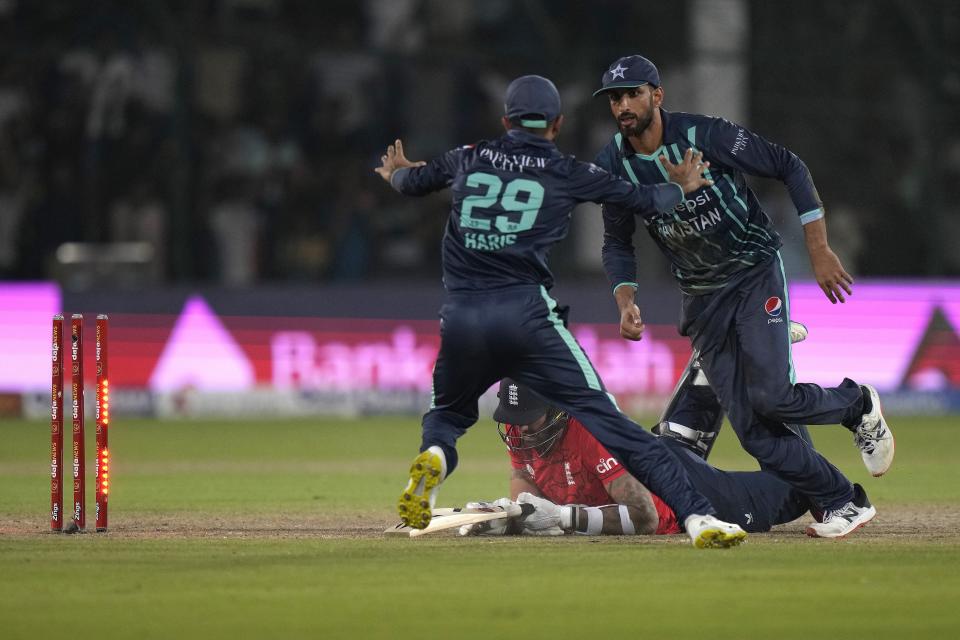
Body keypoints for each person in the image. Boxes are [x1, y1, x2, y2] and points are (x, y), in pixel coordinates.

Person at [374, 74, 747, 548]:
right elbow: (645, 201)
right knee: (613, 426)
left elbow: (412, 182)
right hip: (527, 318)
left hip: (463, 317)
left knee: (447, 413)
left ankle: (434, 457)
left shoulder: (467, 157)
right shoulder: (567, 170)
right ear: (556, 125)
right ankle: (700, 519)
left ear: (506, 121)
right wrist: (683, 187)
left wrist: (395, 172)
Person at [592, 55, 893, 538]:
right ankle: (843, 499)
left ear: (657, 95)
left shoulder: (706, 137)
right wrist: (625, 301)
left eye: (632, 94)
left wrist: (818, 251)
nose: (623, 105)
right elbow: (616, 242)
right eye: (614, 98)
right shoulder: (612, 164)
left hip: (753, 275)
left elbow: (788, 166)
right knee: (756, 434)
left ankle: (855, 404)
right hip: (702, 297)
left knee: (771, 396)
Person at [460, 379, 864, 538]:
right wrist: (511, 516)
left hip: (683, 495)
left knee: (793, 487)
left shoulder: (591, 432)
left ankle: (768, 372)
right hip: (659, 451)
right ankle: (721, 364)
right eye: (514, 421)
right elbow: (527, 485)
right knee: (699, 397)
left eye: (530, 421)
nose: (521, 431)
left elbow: (647, 518)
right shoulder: (521, 429)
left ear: (560, 411)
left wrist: (564, 519)